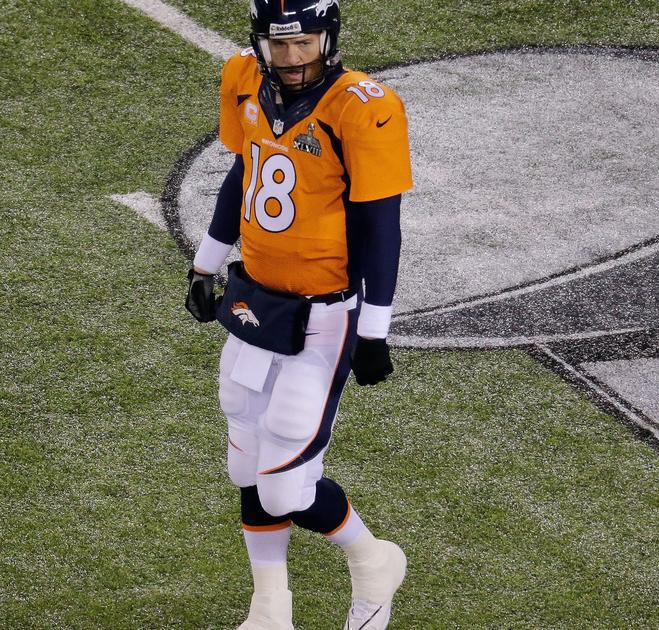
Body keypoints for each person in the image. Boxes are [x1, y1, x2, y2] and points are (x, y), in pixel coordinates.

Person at [185, 1, 411, 628]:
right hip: (257, 299)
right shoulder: (243, 80)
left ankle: (372, 561)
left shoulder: (363, 105)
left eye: (304, 42)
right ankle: (270, 610)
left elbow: (380, 227)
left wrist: (375, 331)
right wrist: (206, 264)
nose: (290, 58)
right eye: (277, 44)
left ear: (328, 38)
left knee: (285, 484)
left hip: (327, 311)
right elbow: (242, 174)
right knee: (245, 462)